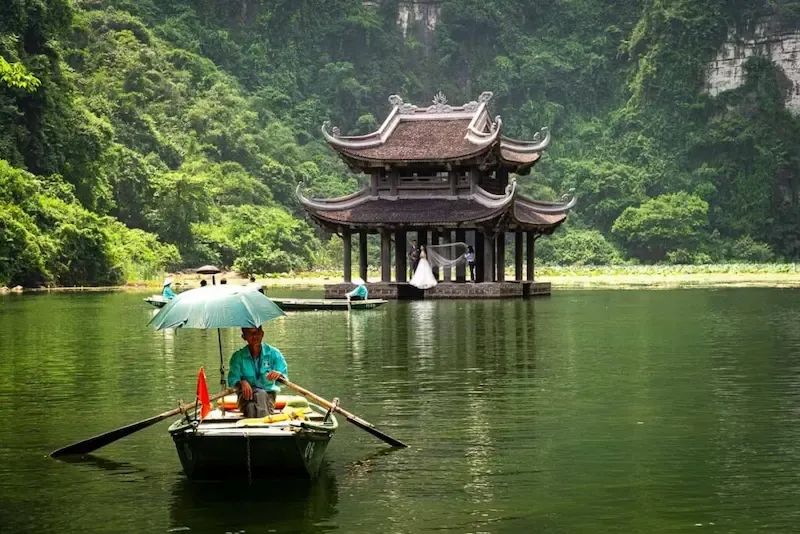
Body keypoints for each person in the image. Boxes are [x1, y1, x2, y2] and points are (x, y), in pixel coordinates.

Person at [227, 326, 288, 418]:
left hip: (268, 397)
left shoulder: (274, 353)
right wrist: (241, 383)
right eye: (250, 334)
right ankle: (264, 421)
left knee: (252, 406)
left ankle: (255, 423)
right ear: (244, 337)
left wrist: (279, 375)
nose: (255, 336)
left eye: (257, 333)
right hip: (245, 397)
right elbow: (232, 381)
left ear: (262, 334)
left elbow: (284, 379)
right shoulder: (237, 357)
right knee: (256, 397)